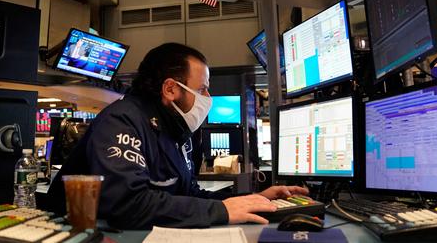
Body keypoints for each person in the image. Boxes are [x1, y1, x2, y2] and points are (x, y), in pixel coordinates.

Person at [46, 43, 308, 229]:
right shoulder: (122, 120)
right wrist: (221, 211)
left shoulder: (177, 131)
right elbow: (128, 205)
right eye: (203, 89)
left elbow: (189, 195)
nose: (208, 99)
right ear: (171, 89)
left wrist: (253, 199)